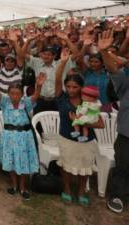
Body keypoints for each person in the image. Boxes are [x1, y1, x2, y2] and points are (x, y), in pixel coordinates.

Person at [55, 48, 104, 207]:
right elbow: (57, 79)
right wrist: (62, 63)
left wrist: (82, 122)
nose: (70, 90)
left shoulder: (89, 102)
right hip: (66, 138)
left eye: (74, 87)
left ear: (81, 87)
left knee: (85, 168)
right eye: (68, 86)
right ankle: (67, 189)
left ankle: (82, 191)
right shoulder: (61, 98)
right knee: (66, 166)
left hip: (87, 141)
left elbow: (101, 123)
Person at [0, 68, 46, 200]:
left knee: (24, 162)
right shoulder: (4, 103)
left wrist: (39, 86)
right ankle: (14, 185)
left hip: (25, 137)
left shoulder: (25, 103)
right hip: (9, 137)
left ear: (22, 94)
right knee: (11, 161)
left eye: (17, 94)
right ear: (8, 94)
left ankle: (23, 187)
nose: (15, 96)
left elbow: (36, 96)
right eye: (12, 93)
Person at [98, 29, 129, 213]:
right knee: (123, 166)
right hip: (127, 132)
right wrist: (103, 52)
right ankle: (117, 196)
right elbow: (114, 70)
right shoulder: (125, 82)